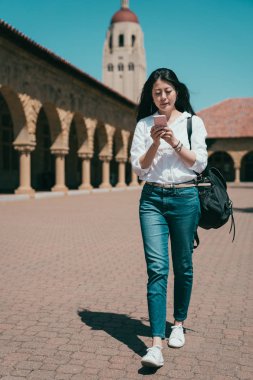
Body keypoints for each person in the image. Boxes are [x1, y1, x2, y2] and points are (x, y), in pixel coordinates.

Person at [130, 68, 208, 368]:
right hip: (152, 199)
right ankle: (156, 343)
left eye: (167, 91)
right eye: (156, 93)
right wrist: (153, 141)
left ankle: (178, 323)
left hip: (186, 198)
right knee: (157, 269)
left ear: (177, 91)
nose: (162, 97)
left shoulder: (193, 122)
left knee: (184, 265)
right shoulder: (143, 125)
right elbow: (140, 169)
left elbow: (199, 164)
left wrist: (174, 141)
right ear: (151, 97)